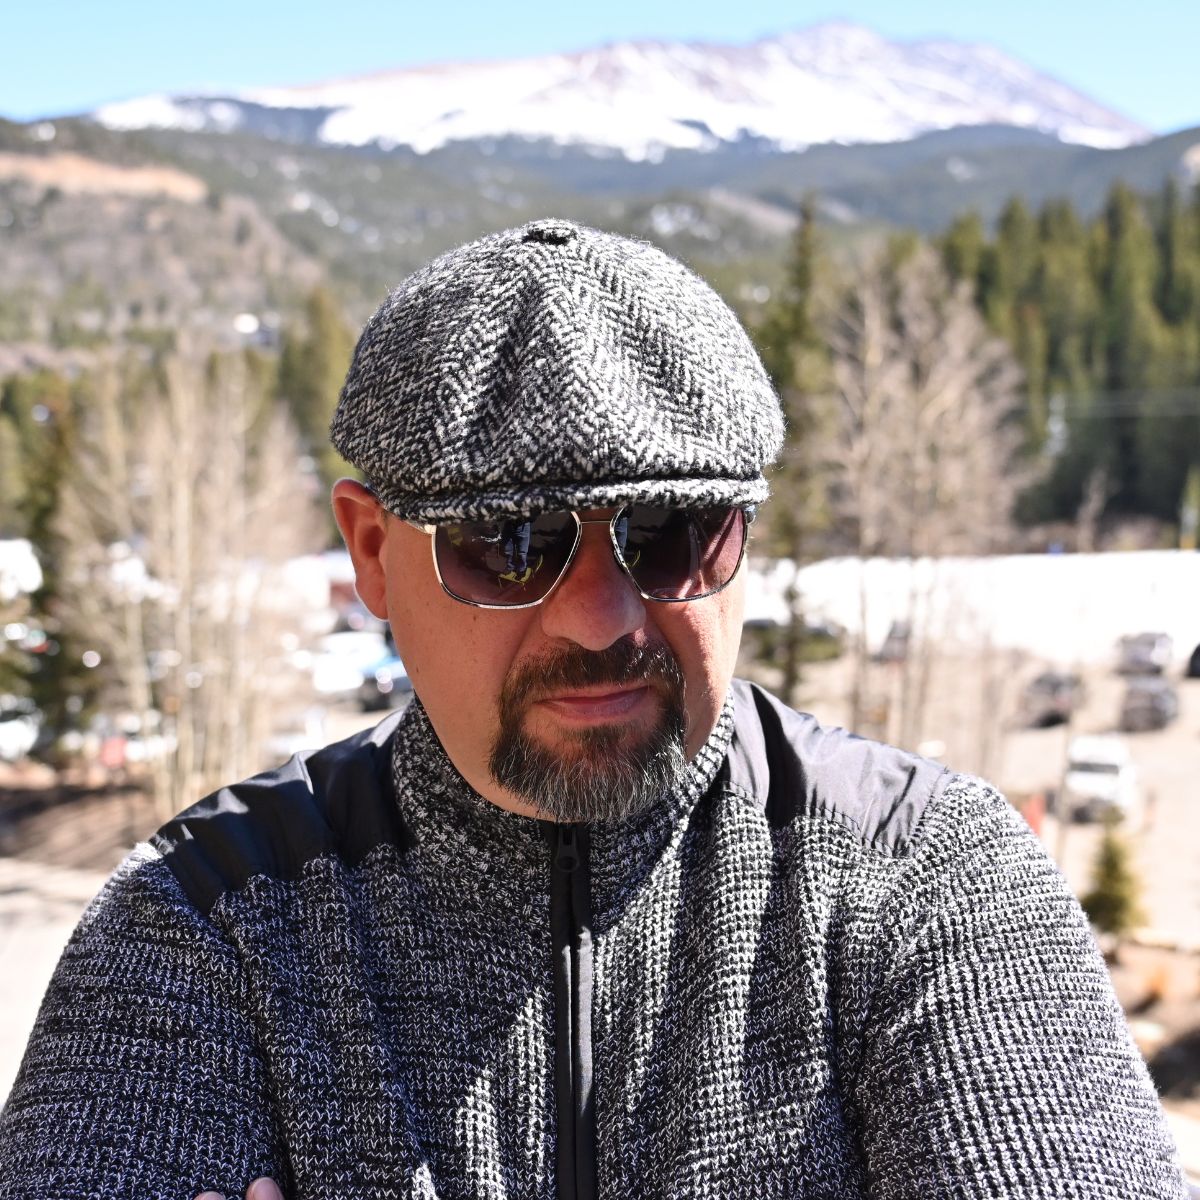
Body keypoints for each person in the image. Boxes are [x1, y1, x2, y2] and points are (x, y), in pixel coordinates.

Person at [0, 219, 1187, 1199]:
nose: (602, 616)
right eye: (509, 543)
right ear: (369, 552)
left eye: (672, 533)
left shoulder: (927, 880)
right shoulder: (206, 922)